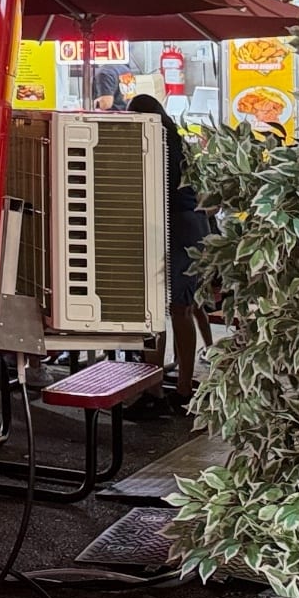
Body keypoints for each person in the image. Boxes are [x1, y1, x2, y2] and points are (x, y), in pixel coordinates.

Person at [132, 93, 211, 405]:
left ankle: (165, 387)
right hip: (188, 225)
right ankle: (177, 386)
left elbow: (158, 189)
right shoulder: (177, 142)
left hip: (175, 224)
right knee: (177, 309)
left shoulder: (155, 144)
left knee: (168, 309)